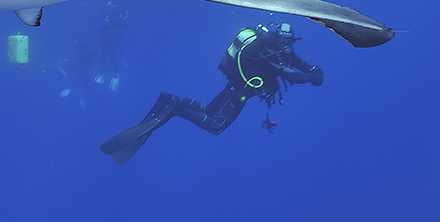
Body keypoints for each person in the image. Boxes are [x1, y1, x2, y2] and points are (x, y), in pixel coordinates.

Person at [99, 21, 323, 165]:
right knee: (216, 125)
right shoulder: (271, 52)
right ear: (281, 39)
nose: (288, 47)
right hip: (240, 92)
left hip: (235, 86)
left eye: (289, 44)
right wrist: (310, 77)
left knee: (208, 110)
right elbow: (291, 75)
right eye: (286, 43)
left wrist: (313, 70)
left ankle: (172, 100)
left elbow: (298, 63)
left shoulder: (281, 50)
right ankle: (176, 107)